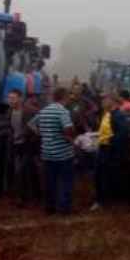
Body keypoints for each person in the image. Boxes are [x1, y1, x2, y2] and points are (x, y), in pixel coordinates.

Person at [29, 87, 76, 215]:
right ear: (64, 97)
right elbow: (68, 129)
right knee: (65, 182)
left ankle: (50, 208)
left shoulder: (44, 111)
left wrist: (42, 134)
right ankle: (64, 209)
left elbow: (31, 124)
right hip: (63, 154)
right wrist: (71, 137)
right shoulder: (62, 111)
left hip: (47, 153)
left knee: (50, 182)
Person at [92, 93, 130, 211]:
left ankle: (103, 201)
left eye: (105, 99)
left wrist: (110, 142)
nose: (102, 102)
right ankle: (102, 200)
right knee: (100, 176)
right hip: (103, 149)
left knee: (104, 176)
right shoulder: (108, 114)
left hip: (109, 151)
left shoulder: (118, 115)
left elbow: (122, 133)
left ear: (112, 101)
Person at [6, 89, 40, 207]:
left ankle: (24, 198)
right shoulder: (9, 112)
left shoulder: (30, 111)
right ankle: (33, 194)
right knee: (26, 170)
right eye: (9, 98)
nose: (10, 100)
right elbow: (10, 128)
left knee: (22, 170)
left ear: (20, 98)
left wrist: (32, 137)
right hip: (16, 145)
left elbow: (37, 128)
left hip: (28, 145)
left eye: (13, 98)